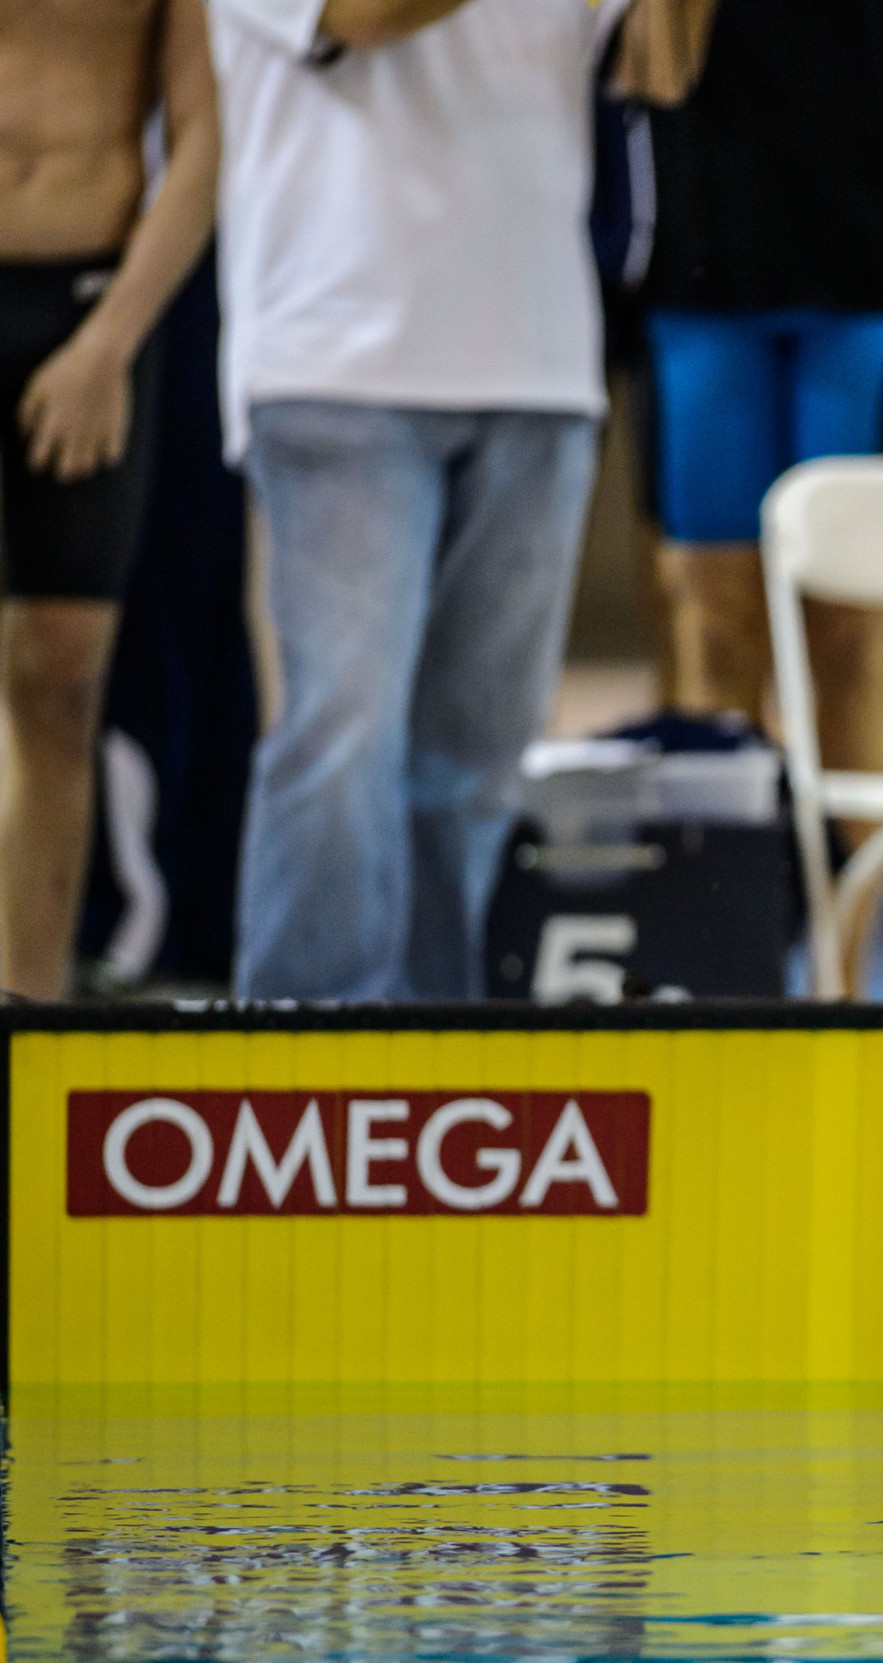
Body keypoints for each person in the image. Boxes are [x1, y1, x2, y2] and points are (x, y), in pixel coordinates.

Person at [209, 0, 645, 999]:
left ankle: (440, 1031)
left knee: (479, 755)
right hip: (336, 359)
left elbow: (656, 61)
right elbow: (363, 16)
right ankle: (307, 1043)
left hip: (536, 361)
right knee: (343, 736)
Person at [634, 0, 883, 791]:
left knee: (848, 623)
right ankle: (727, 865)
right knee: (713, 616)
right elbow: (652, 64)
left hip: (866, 245)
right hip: (706, 248)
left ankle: (849, 873)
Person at [0, 0, 217, 999]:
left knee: (62, 684)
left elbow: (205, 137)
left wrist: (109, 343)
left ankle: (29, 1011)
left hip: (86, 299)